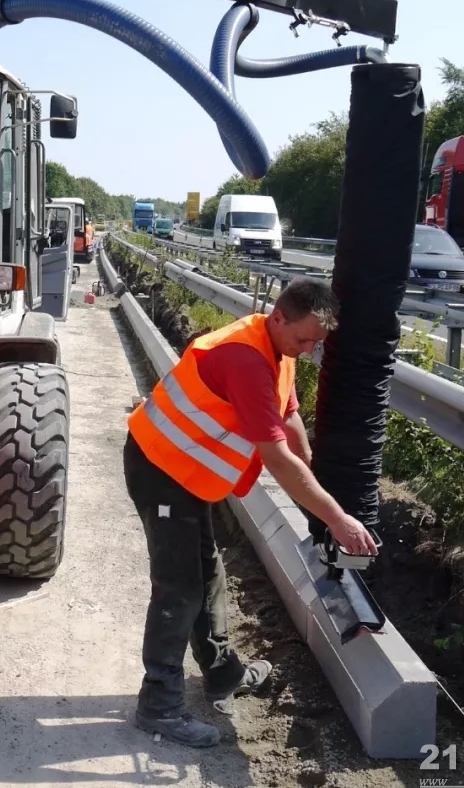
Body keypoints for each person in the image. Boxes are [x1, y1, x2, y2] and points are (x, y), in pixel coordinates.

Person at [123, 276, 378, 748]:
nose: (307, 350)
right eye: (304, 339)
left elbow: (289, 419)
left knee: (208, 572)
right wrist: (336, 518)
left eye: (316, 344)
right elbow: (277, 458)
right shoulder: (244, 356)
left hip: (189, 472)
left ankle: (222, 675)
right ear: (279, 316)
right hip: (161, 466)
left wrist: (317, 490)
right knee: (179, 588)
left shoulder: (278, 349)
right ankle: (158, 705)